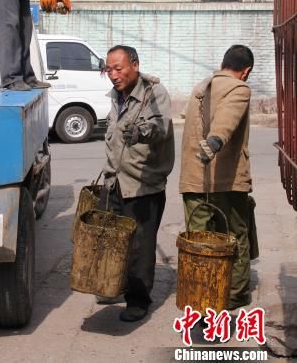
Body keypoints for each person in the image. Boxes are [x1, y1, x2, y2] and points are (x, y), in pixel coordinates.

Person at [100, 45, 175, 322]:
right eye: (109, 69)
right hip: (114, 180)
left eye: (118, 68)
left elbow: (161, 126)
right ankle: (112, 286)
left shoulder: (153, 92)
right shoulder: (116, 95)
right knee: (110, 240)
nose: (113, 75)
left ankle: (138, 300)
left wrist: (141, 131)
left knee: (140, 247)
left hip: (143, 185)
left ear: (134, 65)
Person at [179, 44, 255, 310]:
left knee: (198, 239)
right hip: (226, 179)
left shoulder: (200, 88)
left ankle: (200, 294)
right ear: (245, 72)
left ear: (224, 64)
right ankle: (234, 293)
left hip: (193, 180)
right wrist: (215, 141)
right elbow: (227, 118)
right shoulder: (239, 89)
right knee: (235, 235)